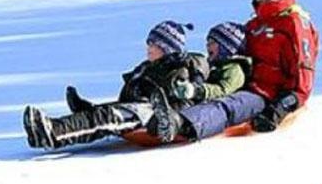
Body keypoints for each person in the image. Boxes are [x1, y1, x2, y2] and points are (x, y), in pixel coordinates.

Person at [150, 0, 320, 143]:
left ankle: (179, 123)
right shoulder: (256, 24)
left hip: (268, 94)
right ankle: (151, 109)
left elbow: (303, 82)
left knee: (228, 106)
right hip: (243, 82)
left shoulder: (294, 25)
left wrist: (278, 109)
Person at [22, 20, 209, 150]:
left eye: (154, 44)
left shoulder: (179, 69)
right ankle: (76, 117)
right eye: (148, 43)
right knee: (106, 114)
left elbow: (182, 101)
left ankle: (54, 133)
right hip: (138, 108)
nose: (148, 48)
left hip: (154, 115)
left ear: (168, 47)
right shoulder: (149, 67)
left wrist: (160, 110)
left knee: (108, 118)